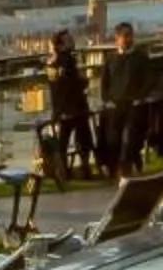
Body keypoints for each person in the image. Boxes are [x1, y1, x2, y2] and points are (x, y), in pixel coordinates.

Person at [100, 21, 148, 175]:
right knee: (113, 139)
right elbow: (104, 83)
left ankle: (125, 167)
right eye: (124, 36)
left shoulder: (140, 57)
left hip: (133, 104)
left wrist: (139, 98)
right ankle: (114, 166)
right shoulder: (110, 59)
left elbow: (148, 80)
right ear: (117, 38)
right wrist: (107, 100)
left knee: (129, 136)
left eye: (130, 35)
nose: (128, 39)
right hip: (115, 105)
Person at [45, 29, 96, 173]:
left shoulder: (50, 62)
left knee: (62, 142)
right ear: (60, 45)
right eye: (69, 40)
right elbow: (77, 83)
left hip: (60, 108)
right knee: (83, 138)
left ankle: (63, 171)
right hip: (76, 107)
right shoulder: (68, 60)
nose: (72, 41)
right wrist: (84, 80)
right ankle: (85, 168)